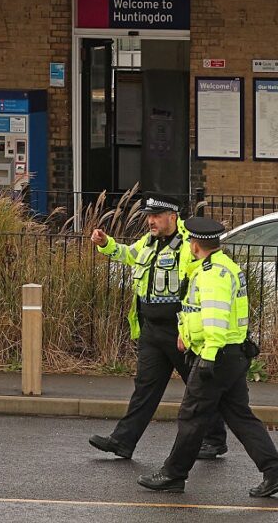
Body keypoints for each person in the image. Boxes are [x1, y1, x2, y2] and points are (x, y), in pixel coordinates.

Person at [137, 217, 278, 497]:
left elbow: (216, 319)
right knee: (239, 416)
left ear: (195, 245)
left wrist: (207, 357)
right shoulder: (224, 267)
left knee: (192, 415)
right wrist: (187, 335)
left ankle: (173, 474)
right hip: (231, 354)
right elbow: (202, 314)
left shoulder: (212, 274)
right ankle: (275, 471)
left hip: (217, 356)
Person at [88, 193, 227, 460]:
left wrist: (190, 328)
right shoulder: (148, 242)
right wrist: (106, 243)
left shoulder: (189, 244)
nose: (150, 221)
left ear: (172, 217)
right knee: (145, 387)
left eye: (156, 217)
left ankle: (214, 439)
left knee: (197, 385)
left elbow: (201, 280)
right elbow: (128, 255)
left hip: (179, 330)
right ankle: (123, 441)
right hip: (150, 328)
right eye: (149, 216)